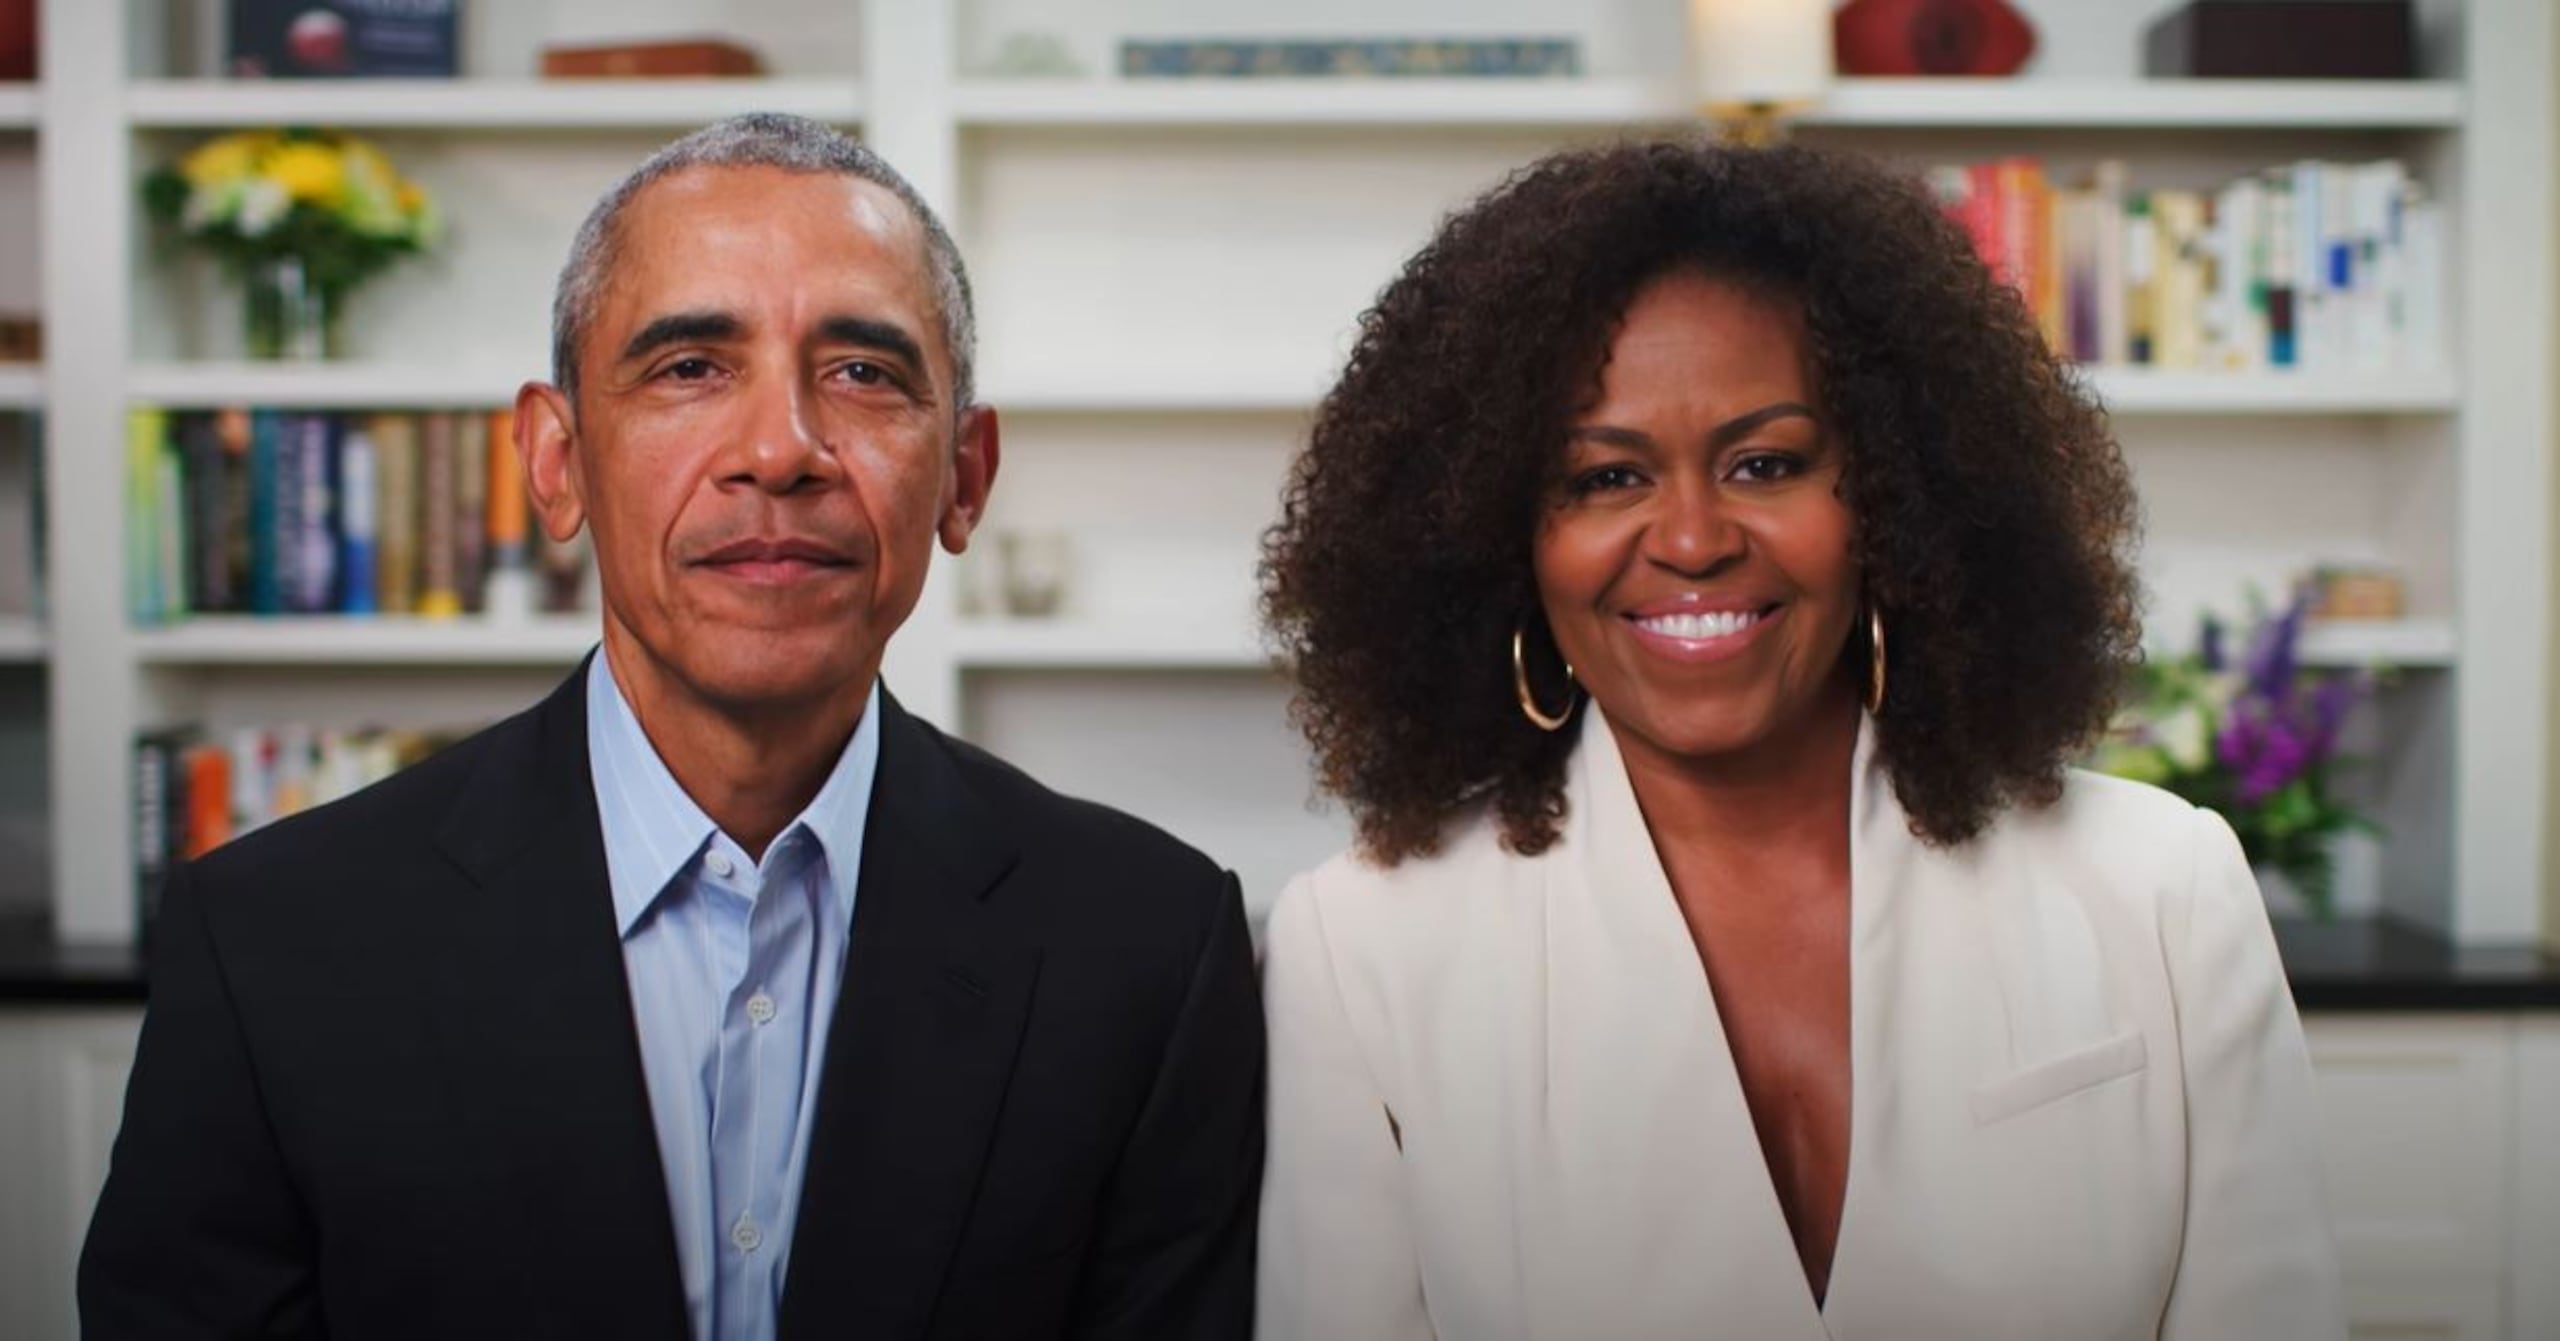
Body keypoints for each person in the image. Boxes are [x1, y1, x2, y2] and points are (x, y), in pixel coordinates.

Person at [81, 113, 1263, 1341]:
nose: (779, 451)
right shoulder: (273, 946)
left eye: (862, 372)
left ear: (964, 476)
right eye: (690, 367)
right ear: (556, 461)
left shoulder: (1147, 951)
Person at [1255, 140, 2343, 1339]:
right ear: (1500, 542)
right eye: (1604, 478)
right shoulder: (1361, 951)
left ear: (1896, 496)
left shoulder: (2160, 887)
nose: (1691, 538)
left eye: (1765, 462)